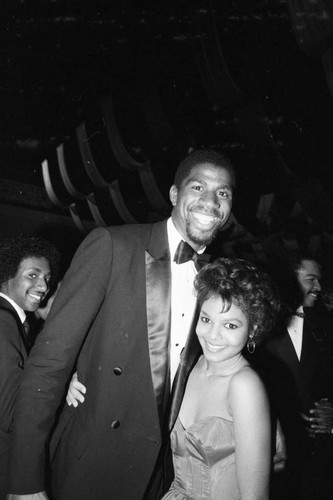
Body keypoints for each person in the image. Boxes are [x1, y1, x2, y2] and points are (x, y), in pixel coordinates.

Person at [7, 149, 235, 500]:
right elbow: (47, 366)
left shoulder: (216, 278)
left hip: (162, 476)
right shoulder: (113, 245)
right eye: (198, 187)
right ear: (175, 195)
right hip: (92, 468)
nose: (210, 201)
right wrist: (25, 482)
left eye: (223, 193)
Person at [161, 258, 280, 500]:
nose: (213, 336)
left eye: (230, 325)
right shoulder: (189, 363)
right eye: (206, 320)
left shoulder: (244, 385)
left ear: (253, 329)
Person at [255, 254, 333, 500]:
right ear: (289, 279)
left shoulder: (327, 325)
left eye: (319, 280)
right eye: (311, 279)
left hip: (318, 462)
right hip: (272, 457)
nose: (319, 288)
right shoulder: (257, 325)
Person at [0, 234, 60, 499]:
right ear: (7, 274)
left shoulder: (14, 322)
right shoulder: (3, 322)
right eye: (32, 275)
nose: (43, 286)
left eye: (47, 279)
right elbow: (12, 411)